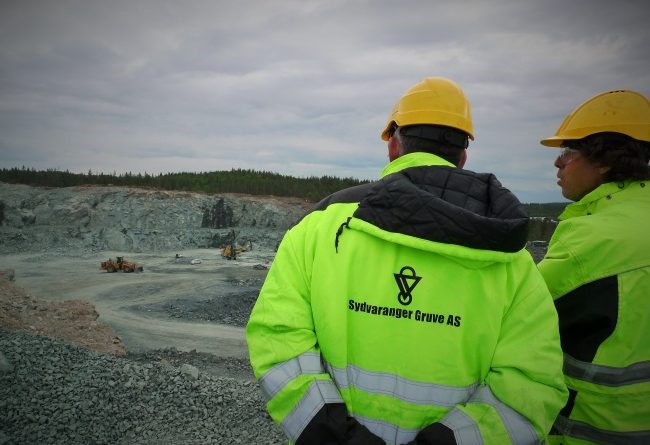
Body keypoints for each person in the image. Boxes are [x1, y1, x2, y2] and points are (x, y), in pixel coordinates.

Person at [246, 76, 568, 445]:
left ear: (393, 145)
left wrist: (335, 436)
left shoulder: (317, 231)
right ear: (463, 156)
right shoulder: (513, 262)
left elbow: (278, 340)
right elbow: (530, 388)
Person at [538, 89, 650, 445]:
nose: (558, 163)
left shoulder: (593, 238)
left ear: (604, 160)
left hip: (595, 428)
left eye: (568, 152)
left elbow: (515, 311)